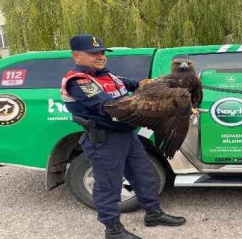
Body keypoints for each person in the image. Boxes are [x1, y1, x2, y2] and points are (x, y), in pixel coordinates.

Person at [60, 34, 186, 239]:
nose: (100, 57)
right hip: (105, 139)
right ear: (76, 56)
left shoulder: (109, 76)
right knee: (109, 184)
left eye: (101, 52)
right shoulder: (79, 81)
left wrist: (164, 85)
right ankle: (113, 229)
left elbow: (138, 85)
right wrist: (151, 108)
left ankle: (153, 214)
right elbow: (107, 106)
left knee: (144, 175)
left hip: (127, 135)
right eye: (93, 54)